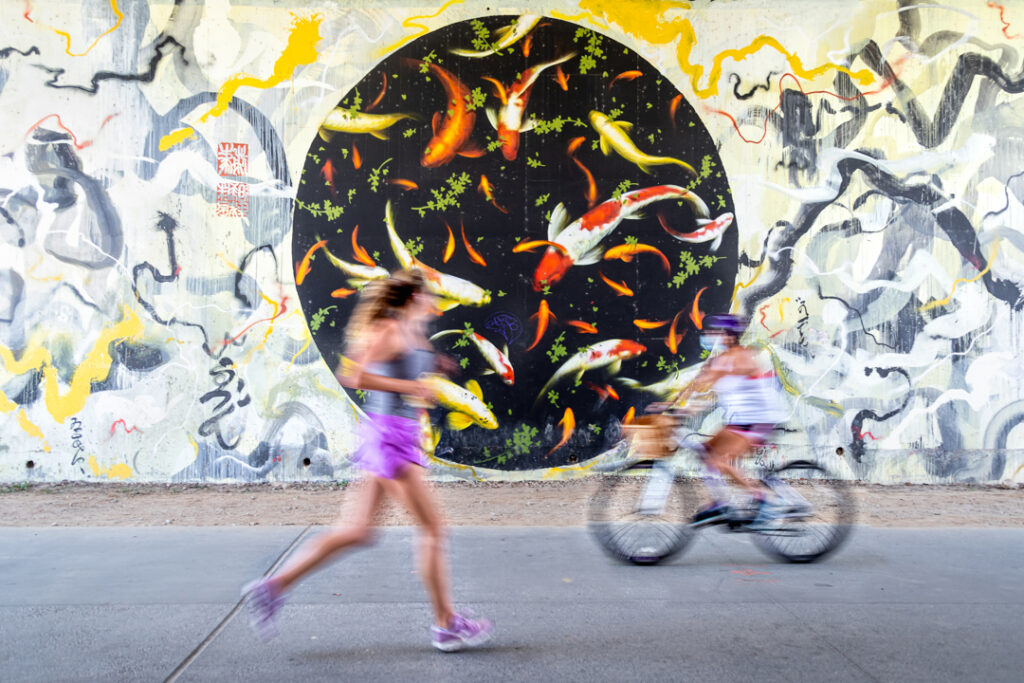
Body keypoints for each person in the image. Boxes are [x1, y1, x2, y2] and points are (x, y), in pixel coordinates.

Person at [241, 268, 493, 652]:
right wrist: (409, 385)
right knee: (433, 529)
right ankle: (445, 625)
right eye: (427, 296)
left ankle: (272, 587)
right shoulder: (388, 330)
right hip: (390, 438)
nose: (433, 303)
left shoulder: (412, 332)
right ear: (411, 299)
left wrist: (434, 365)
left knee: (358, 531)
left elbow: (404, 365)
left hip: (396, 435)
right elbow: (353, 374)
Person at [657, 313, 790, 527]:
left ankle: (764, 499)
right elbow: (696, 384)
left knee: (718, 461)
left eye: (714, 332)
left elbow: (720, 375)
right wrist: (668, 407)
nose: (709, 336)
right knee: (706, 454)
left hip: (757, 420)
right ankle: (719, 503)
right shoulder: (720, 360)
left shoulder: (741, 356)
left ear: (728, 336)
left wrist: (711, 378)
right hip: (740, 421)